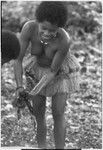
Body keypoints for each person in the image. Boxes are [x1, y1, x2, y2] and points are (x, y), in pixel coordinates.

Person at [14, 1, 80, 149]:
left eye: (53, 30)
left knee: (58, 112)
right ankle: (42, 147)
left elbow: (52, 71)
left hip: (58, 73)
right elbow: (18, 60)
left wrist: (33, 91)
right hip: (37, 69)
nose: (48, 33)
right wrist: (19, 87)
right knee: (38, 113)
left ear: (60, 28)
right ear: (37, 22)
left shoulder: (64, 40)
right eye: (44, 28)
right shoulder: (28, 28)